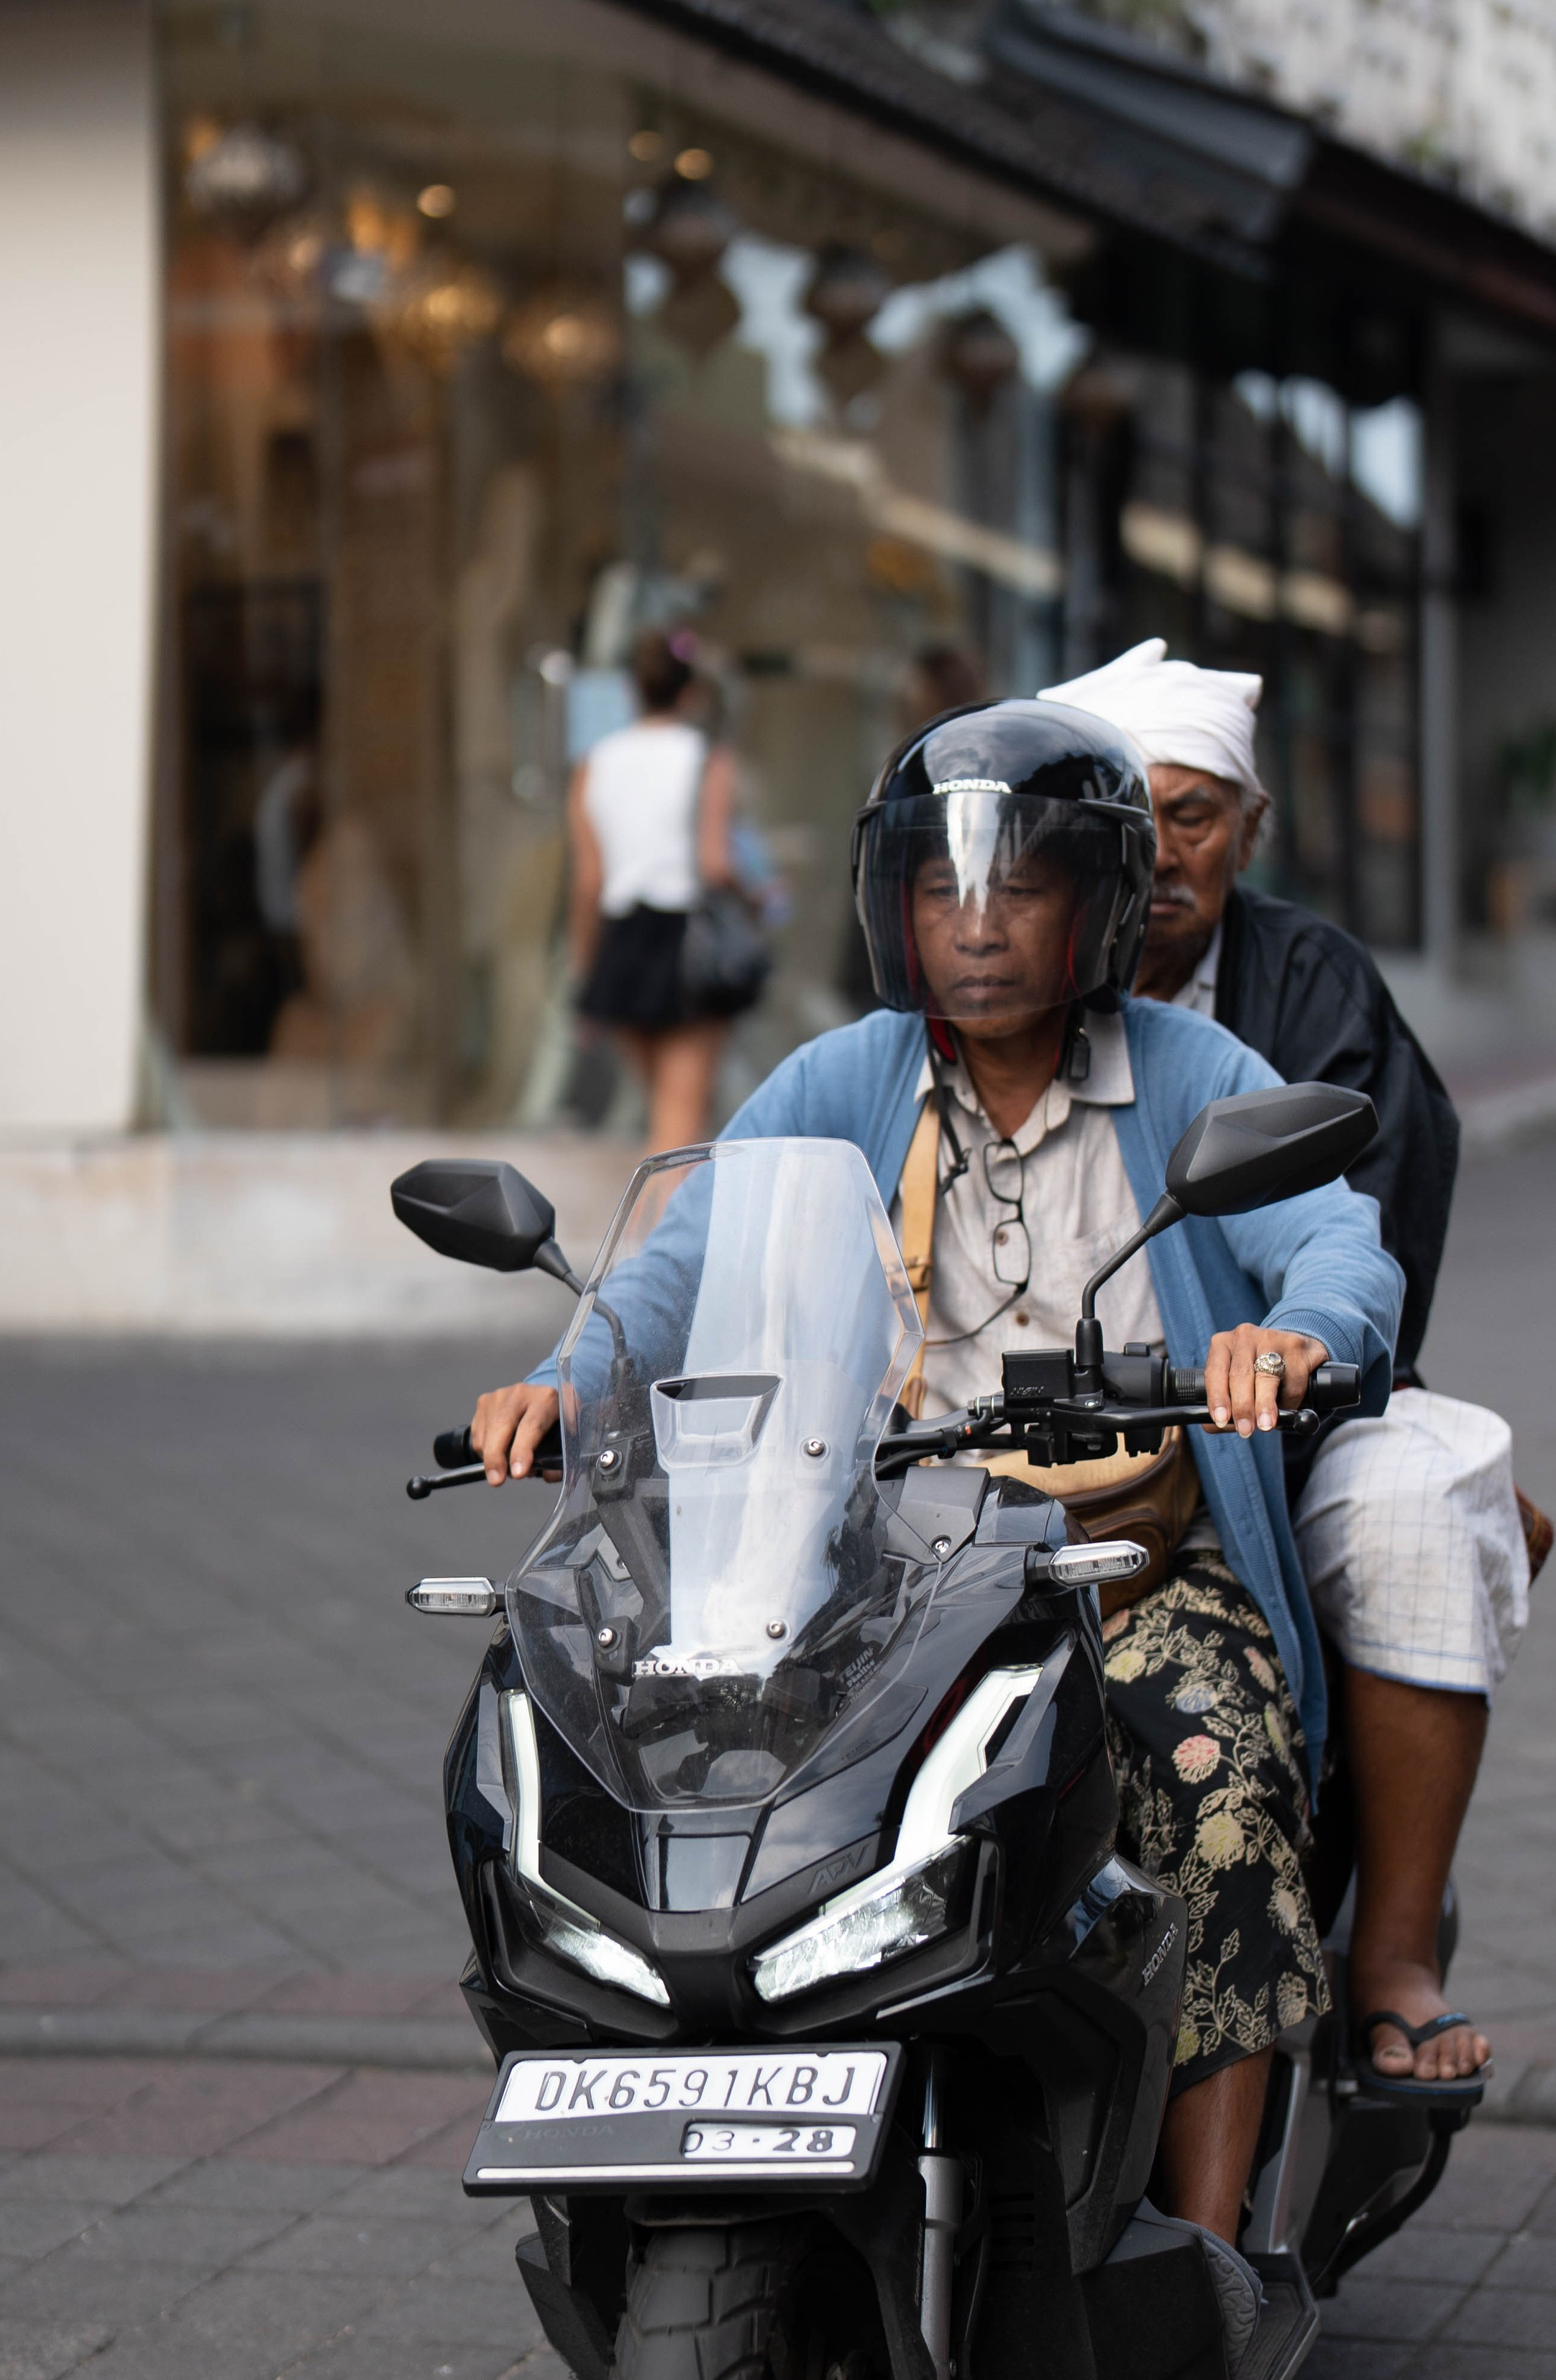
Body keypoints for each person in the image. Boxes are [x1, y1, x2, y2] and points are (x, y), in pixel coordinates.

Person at [467, 696, 1404, 2297]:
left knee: (1213, 1776)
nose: (973, 926)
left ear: (1095, 904)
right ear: (892, 907)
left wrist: (1291, 1337)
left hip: (1120, 1560)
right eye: (941, 890)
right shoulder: (841, 1080)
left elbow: (1332, 1237)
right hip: (870, 1569)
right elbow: (681, 1259)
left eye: (1018, 887)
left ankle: (1195, 2254)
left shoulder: (1185, 1070)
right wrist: (573, 1372)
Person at [1040, 639, 1530, 2093]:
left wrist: (1273, 1370)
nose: (1162, 855)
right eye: (1129, 820)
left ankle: (1387, 1953)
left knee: (1417, 1501)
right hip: (1013, 1435)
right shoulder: (980, 988)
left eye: (1195, 817)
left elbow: (1355, 1256)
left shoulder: (1307, 993)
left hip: (1277, 1426)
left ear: (1248, 831)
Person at [570, 629, 742, 1152]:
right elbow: (715, 865)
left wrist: (586, 979)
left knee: (665, 1121)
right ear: (689, 694)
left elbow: (589, 882)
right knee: (679, 1128)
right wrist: (757, 898)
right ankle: (668, 1233)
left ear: (631, 690)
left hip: (622, 945)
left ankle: (669, 1227)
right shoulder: (706, 759)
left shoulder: (593, 766)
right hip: (685, 946)